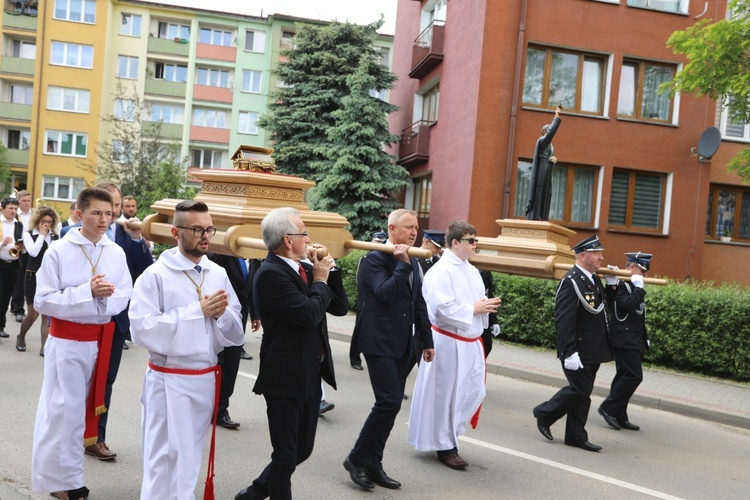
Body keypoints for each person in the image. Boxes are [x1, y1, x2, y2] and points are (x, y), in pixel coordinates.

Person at [130, 200, 244, 500]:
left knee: (190, 456)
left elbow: (235, 333)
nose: (205, 235)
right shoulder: (155, 275)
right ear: (175, 231)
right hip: (168, 379)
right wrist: (197, 311)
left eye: (209, 229)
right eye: (196, 229)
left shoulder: (217, 273)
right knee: (162, 457)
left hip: (204, 379)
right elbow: (142, 328)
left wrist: (220, 315)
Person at [235, 207, 348, 500]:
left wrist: (328, 270)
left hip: (309, 373)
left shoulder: (305, 268)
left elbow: (338, 307)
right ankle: (263, 494)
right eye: (305, 233)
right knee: (286, 454)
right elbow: (309, 313)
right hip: (285, 376)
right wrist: (320, 280)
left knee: (302, 449)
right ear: (288, 239)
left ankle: (254, 493)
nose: (309, 238)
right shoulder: (271, 274)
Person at [31, 187, 132, 500]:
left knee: (87, 410)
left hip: (101, 341)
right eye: (96, 213)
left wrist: (103, 300)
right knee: (64, 412)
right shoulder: (59, 251)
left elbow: (124, 292)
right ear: (79, 213)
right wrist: (86, 292)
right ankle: (61, 481)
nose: (103, 219)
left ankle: (67, 477)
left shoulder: (115, 251)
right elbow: (43, 300)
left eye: (108, 214)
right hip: (67, 341)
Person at [344, 209, 434, 491]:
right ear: (392, 228)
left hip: (404, 344)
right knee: (389, 401)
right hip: (378, 342)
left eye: (417, 227)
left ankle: (373, 463)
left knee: (391, 405)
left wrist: (427, 340)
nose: (414, 232)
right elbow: (383, 293)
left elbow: (418, 303)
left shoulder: (413, 261)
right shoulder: (375, 258)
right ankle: (357, 459)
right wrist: (402, 265)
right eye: (408, 227)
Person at [409, 222, 500, 470]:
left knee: (472, 393)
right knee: (447, 396)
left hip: (470, 343)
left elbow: (475, 301)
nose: (475, 244)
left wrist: (485, 306)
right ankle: (445, 445)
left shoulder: (470, 270)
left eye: (476, 240)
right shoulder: (442, 270)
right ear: (455, 242)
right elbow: (440, 308)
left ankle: (449, 437)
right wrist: (474, 309)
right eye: (471, 240)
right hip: (449, 341)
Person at [83, 182, 153, 461]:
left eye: (115, 206)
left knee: (105, 381)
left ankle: (96, 437)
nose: (112, 212)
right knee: (79, 381)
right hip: (83, 322)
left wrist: (137, 238)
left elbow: (144, 271)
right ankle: (72, 432)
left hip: (114, 322)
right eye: (108, 206)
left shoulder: (126, 235)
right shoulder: (74, 235)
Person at [533, 234, 612, 452]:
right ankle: (544, 412)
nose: (601, 258)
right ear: (582, 255)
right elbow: (564, 320)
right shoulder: (572, 281)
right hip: (577, 349)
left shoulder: (593, 279)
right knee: (578, 390)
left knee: (584, 393)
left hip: (593, 348)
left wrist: (613, 287)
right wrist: (568, 352)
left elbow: (601, 311)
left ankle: (576, 435)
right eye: (596, 254)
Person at [598, 252, 652, 432]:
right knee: (633, 376)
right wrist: (638, 287)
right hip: (624, 338)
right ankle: (608, 408)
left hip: (631, 338)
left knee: (623, 376)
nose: (645, 274)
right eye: (642, 270)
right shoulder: (623, 285)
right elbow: (627, 306)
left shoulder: (627, 284)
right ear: (631, 267)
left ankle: (620, 414)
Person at [207, 252, 261, 429]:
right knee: (217, 364)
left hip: (237, 319)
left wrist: (255, 314)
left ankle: (221, 411)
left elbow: (251, 287)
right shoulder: (223, 255)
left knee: (231, 366)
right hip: (216, 317)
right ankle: (207, 408)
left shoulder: (252, 257)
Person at [15, 207, 59, 354]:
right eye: (43, 221)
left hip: (48, 276)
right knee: (33, 313)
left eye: (49, 222)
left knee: (46, 314)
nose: (46, 224)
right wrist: (41, 236)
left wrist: (50, 237)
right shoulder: (29, 235)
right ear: (37, 221)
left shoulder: (54, 236)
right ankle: (21, 337)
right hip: (32, 275)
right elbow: (33, 252)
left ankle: (44, 347)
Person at [349, 230, 388, 371]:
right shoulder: (365, 258)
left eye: (382, 242)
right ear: (371, 241)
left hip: (375, 304)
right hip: (364, 302)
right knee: (359, 332)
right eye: (377, 241)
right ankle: (354, 358)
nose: (379, 244)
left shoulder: (383, 258)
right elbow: (359, 281)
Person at [526, 105, 562, 221]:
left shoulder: (549, 145)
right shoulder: (542, 141)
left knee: (547, 193)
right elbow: (552, 131)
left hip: (547, 171)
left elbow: (548, 157)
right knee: (540, 192)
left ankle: (542, 215)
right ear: (544, 132)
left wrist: (553, 160)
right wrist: (556, 116)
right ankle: (537, 215)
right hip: (541, 172)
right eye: (548, 130)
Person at [0, 196, 23, 339]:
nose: (13, 211)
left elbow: (23, 243)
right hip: (0, 263)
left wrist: (20, 246)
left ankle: (1, 326)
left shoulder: (19, 225)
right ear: (2, 208)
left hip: (13, 264)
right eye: (11, 208)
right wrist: (2, 243)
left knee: (6, 297)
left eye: (15, 209)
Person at [11, 189, 33, 322]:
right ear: (19, 201)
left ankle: (22, 306)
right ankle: (18, 308)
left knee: (28, 280)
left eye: (29, 201)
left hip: (31, 250)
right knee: (18, 281)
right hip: (18, 250)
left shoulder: (34, 214)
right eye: (24, 201)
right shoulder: (14, 214)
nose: (27, 203)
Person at [479, 269, 501, 357]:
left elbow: (489, 296)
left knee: (487, 345)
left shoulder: (485, 272)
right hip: (470, 313)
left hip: (483, 315)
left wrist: (494, 321)